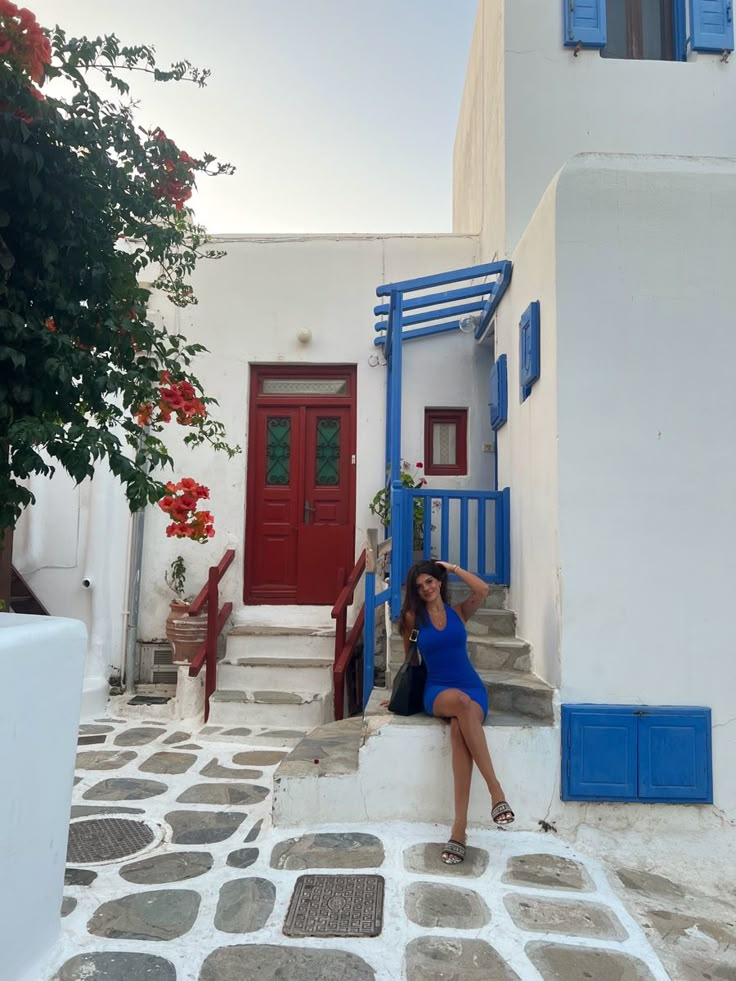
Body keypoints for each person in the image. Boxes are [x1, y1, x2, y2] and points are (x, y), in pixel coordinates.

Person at [400, 559, 515, 865]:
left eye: (430, 582)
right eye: (419, 586)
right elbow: (411, 657)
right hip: (438, 690)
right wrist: (400, 694)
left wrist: (451, 568)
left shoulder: (459, 613)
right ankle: (496, 792)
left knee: (457, 730)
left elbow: (483, 588)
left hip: (472, 688)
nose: (426, 589)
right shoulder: (414, 619)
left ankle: (459, 830)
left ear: (438, 582)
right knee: (460, 706)